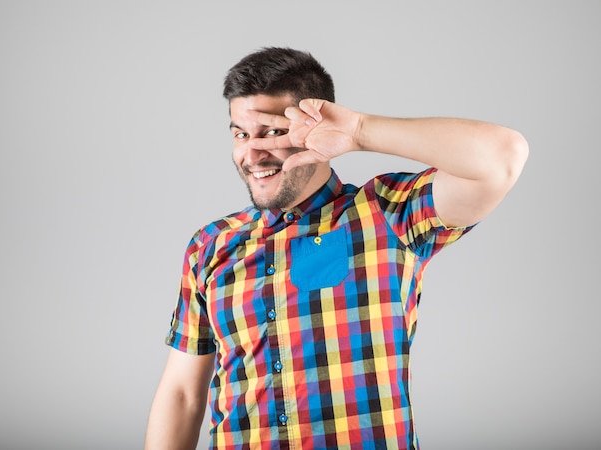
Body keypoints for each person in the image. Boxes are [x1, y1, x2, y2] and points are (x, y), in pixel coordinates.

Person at [144, 47, 528, 450]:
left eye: (273, 132)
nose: (251, 154)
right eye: (241, 134)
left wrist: (360, 130)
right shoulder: (211, 245)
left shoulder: (389, 213)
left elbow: (503, 156)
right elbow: (183, 394)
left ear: (317, 125)